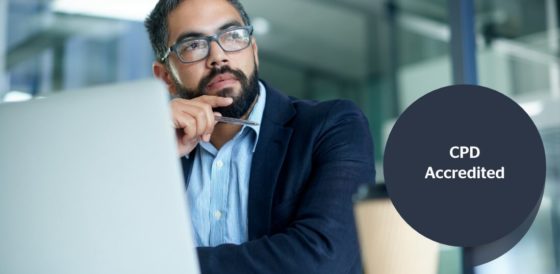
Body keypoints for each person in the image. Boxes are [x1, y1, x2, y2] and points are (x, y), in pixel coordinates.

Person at [145, 0, 375, 273]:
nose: (218, 56)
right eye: (193, 45)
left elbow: (321, 259)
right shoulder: (152, 153)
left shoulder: (332, 126)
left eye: (232, 36)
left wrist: (165, 265)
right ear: (165, 77)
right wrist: (155, 155)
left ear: (253, 51)